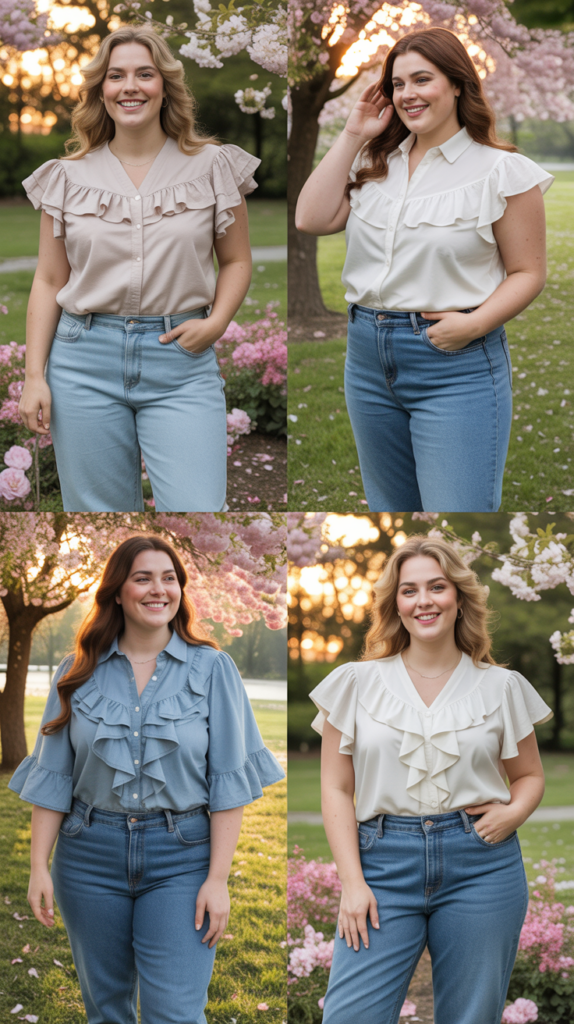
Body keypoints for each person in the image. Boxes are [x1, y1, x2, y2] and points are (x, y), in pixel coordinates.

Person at [9, 534, 284, 1024]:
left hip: (182, 858)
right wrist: (38, 865)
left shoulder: (213, 669)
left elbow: (228, 784)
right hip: (88, 856)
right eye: (143, 578)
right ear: (117, 591)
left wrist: (217, 879)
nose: (159, 589)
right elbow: (53, 777)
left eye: (169, 578)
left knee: (175, 1013)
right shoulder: (76, 671)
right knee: (107, 1011)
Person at [295, 27, 554, 513]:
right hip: (367, 358)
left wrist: (474, 324)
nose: (408, 94)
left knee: (456, 514)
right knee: (391, 510)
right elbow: (310, 217)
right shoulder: (375, 162)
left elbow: (527, 272)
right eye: (397, 84)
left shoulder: (502, 171)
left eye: (422, 79)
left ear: (457, 84)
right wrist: (354, 133)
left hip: (455, 361)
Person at [308, 535, 552, 1024]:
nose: (424, 600)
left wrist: (513, 813)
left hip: (482, 866)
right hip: (381, 864)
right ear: (395, 605)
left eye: (437, 587)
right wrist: (352, 884)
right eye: (409, 590)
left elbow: (529, 776)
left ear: (459, 597)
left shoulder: (501, 686)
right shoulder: (354, 683)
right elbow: (336, 788)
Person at [18, 25, 258, 512]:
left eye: (144, 74)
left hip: (181, 364)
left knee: (196, 506)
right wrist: (34, 376)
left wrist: (215, 323)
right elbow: (48, 280)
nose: (130, 86)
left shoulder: (213, 166)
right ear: (100, 91)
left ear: (165, 86)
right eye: (116, 76)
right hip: (82, 362)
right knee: (97, 517)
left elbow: (236, 260)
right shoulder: (65, 178)